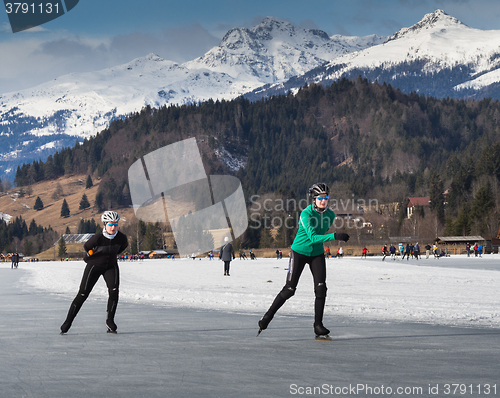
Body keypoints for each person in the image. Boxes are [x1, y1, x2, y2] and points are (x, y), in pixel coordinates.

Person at [257, 182, 349, 338]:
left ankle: (318, 325)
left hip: (317, 254)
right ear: (313, 199)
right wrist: (335, 236)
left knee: (321, 288)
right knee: (290, 289)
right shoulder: (306, 214)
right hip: (299, 252)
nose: (323, 200)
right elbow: (313, 237)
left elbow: (321, 232)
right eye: (320, 198)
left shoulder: (330, 215)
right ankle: (267, 317)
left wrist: (328, 236)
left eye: (326, 197)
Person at [60, 211, 128, 334]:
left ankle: (110, 320)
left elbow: (122, 248)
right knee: (82, 294)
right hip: (94, 266)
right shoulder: (97, 238)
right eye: (110, 224)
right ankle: (68, 322)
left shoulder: (122, 238)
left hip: (111, 266)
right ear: (105, 224)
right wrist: (93, 255)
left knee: (114, 292)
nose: (113, 227)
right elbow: (87, 247)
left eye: (116, 224)